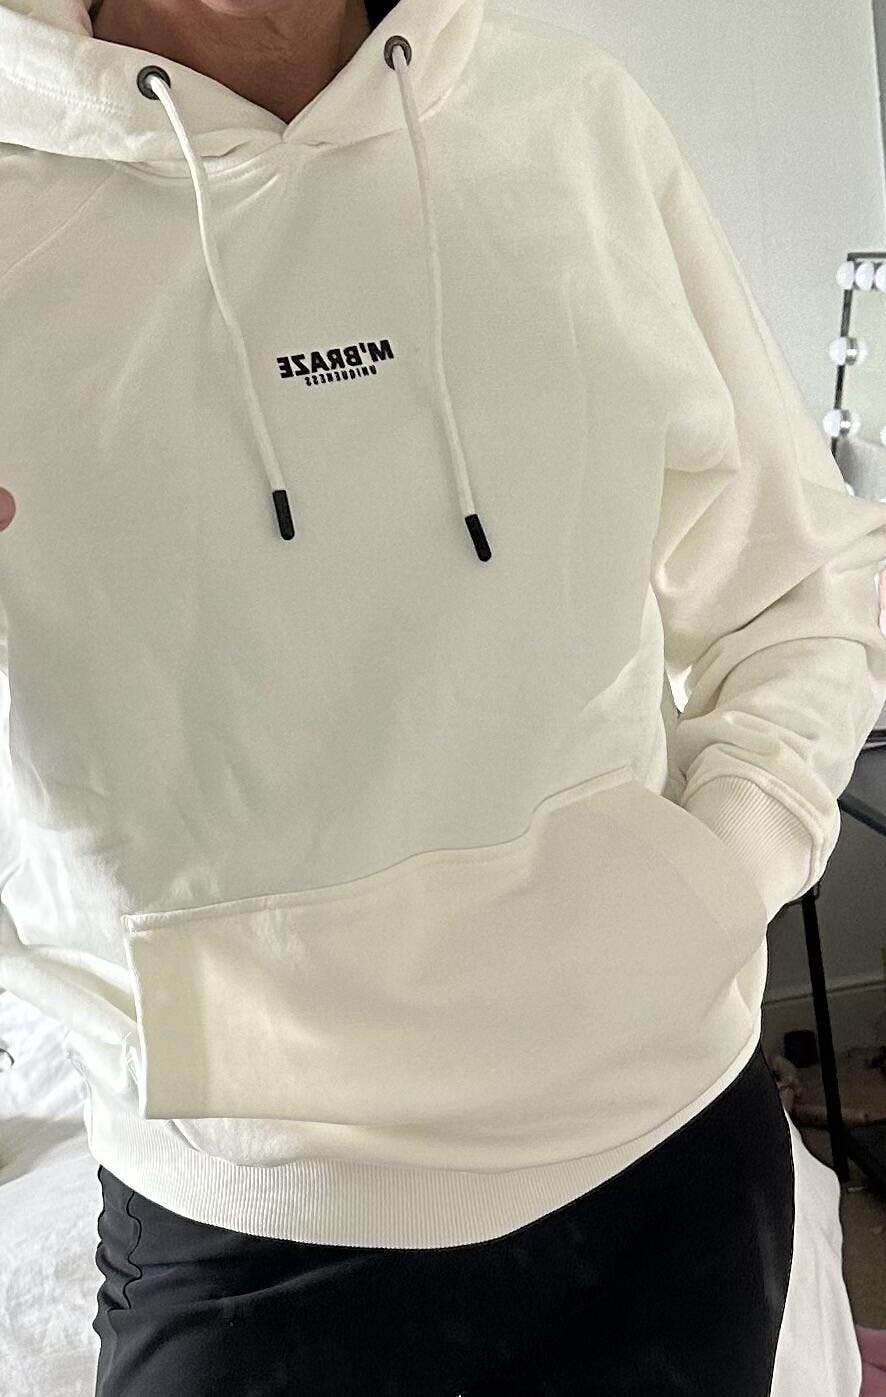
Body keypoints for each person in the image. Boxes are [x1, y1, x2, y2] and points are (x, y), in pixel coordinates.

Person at [0, 1, 884, 1392]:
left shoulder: (565, 123)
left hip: (665, 1149)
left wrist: (723, 869)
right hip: (243, 1204)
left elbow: (796, 578)